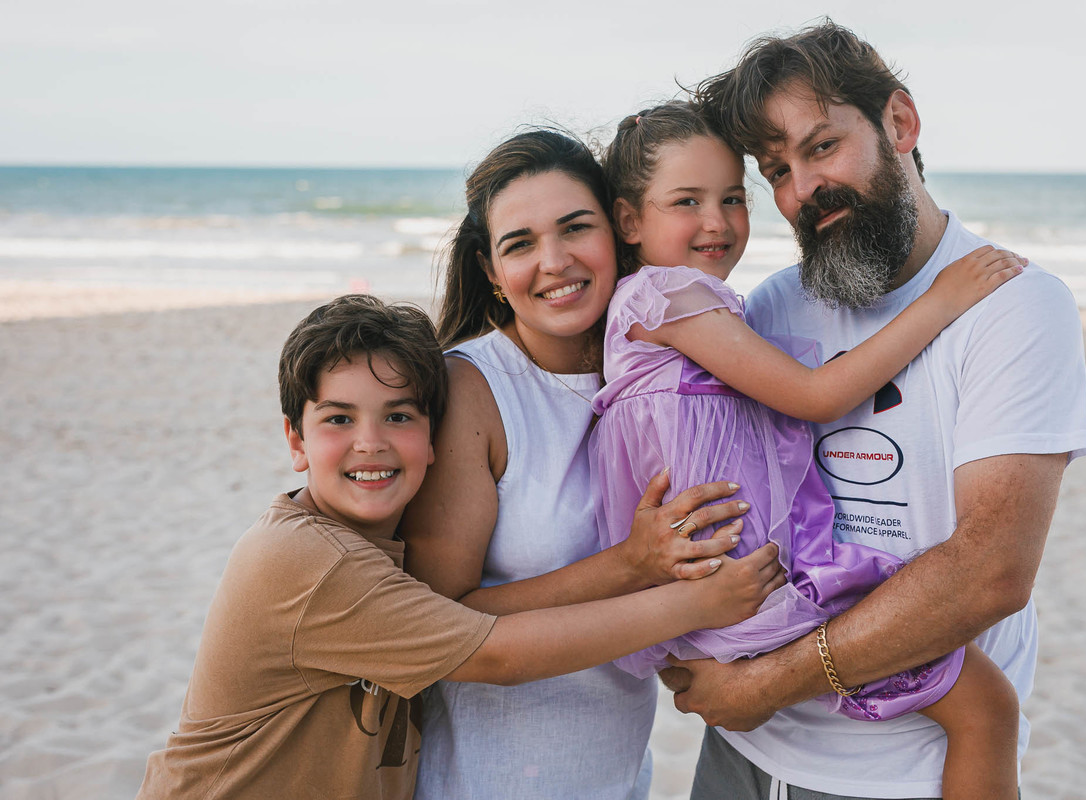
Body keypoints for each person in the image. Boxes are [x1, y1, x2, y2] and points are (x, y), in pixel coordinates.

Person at [654, 20, 1086, 800]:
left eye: (821, 147)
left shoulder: (1014, 306)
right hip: (746, 760)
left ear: (900, 122)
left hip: (903, 773)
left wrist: (763, 686)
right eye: (775, 169)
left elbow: (989, 573)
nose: (800, 190)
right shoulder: (771, 307)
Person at [136, 294, 784, 800]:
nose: (372, 442)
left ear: (433, 437)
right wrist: (697, 604)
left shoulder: (377, 550)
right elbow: (498, 653)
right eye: (338, 418)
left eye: (399, 415)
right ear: (295, 442)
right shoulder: (311, 561)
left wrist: (633, 564)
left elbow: (480, 613)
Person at [591, 100, 1026, 798]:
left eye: (733, 197)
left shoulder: (692, 303)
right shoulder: (666, 297)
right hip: (752, 582)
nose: (716, 220)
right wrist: (943, 300)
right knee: (987, 708)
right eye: (686, 201)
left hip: (741, 574)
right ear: (630, 220)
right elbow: (816, 396)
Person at [398, 130, 777, 799]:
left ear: (620, 231)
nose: (555, 261)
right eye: (520, 244)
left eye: (577, 228)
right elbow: (440, 622)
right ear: (490, 269)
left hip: (616, 779)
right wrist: (633, 565)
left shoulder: (660, 369)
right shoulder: (472, 389)